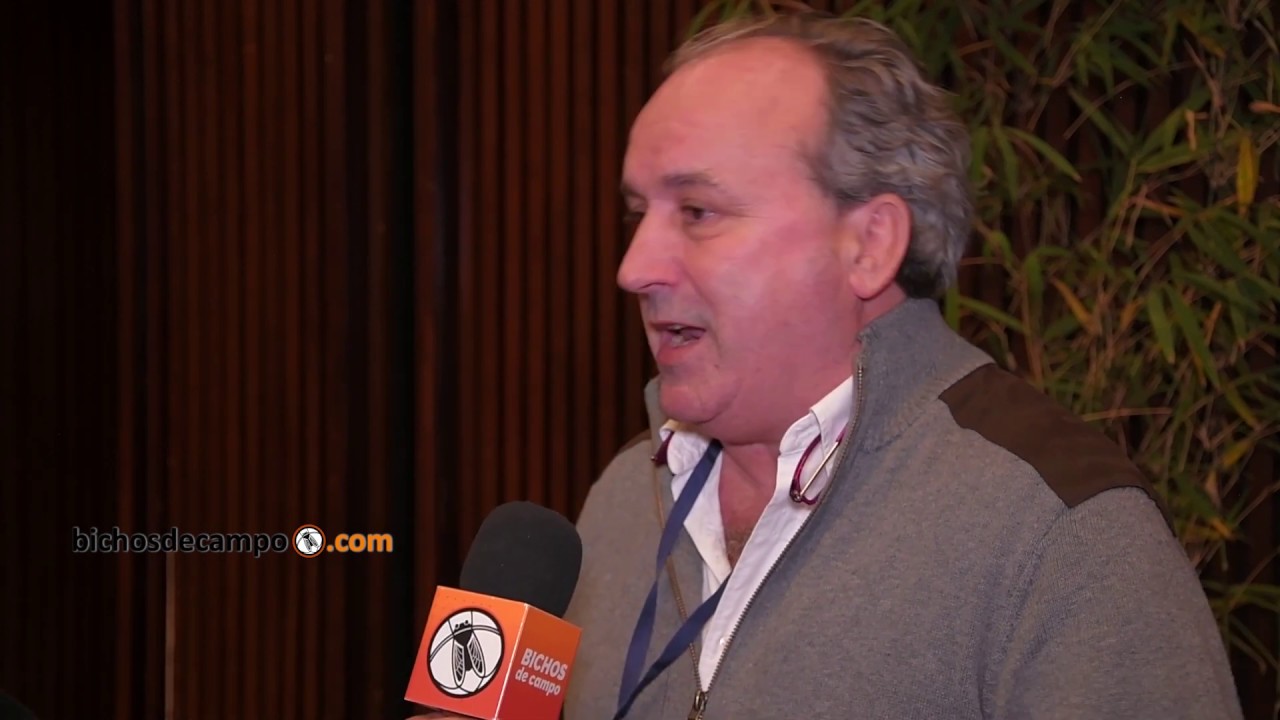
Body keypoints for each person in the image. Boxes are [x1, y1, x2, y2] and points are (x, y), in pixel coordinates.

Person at [412, 9, 1243, 720]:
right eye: (639, 214)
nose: (634, 267)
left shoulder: (1062, 534)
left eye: (697, 211)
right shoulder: (622, 498)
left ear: (868, 245)